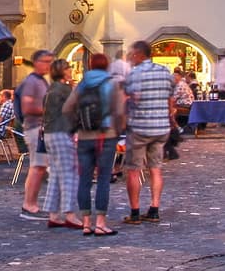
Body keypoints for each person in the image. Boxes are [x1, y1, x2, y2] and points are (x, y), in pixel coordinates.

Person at [121, 40, 176, 225]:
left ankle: (135, 212)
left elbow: (127, 97)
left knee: (134, 170)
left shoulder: (135, 74)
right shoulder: (164, 71)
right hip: (161, 128)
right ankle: (154, 209)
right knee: (155, 169)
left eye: (131, 53)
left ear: (138, 54)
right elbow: (170, 98)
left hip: (140, 127)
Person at [73, 53, 124, 236]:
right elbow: (119, 112)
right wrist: (118, 130)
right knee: (103, 178)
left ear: (89, 64)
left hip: (84, 136)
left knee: (84, 180)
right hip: (106, 135)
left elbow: (67, 109)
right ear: (107, 65)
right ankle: (101, 223)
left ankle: (86, 222)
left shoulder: (81, 84)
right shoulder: (112, 84)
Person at [40, 59, 81, 230]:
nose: (71, 70)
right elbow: (73, 111)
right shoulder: (65, 89)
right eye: (68, 68)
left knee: (56, 174)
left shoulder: (50, 89)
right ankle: (70, 214)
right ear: (62, 71)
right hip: (62, 132)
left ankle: (53, 214)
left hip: (49, 133)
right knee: (70, 174)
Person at [17, 50, 54, 219]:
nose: (48, 65)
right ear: (36, 62)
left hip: (40, 129)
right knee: (38, 167)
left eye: (50, 61)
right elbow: (27, 108)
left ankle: (31, 203)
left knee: (37, 166)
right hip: (35, 129)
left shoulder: (41, 81)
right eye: (45, 61)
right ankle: (29, 205)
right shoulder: (32, 82)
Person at [165, 68, 195, 160]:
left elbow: (173, 99)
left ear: (177, 78)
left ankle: (176, 129)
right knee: (170, 110)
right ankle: (176, 129)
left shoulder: (180, 85)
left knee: (171, 111)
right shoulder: (180, 84)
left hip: (185, 105)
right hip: (185, 104)